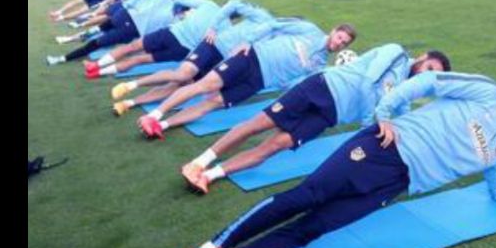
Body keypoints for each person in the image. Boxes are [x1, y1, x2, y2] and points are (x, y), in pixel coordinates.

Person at [180, 72, 496, 248]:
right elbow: (427, 81)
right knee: (306, 196)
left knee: (315, 227)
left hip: (395, 185)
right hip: (384, 147)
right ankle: (211, 247)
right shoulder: (487, 92)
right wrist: (385, 113)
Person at [181, 45, 451, 193]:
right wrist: (373, 120)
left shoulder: (405, 93)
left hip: (329, 115)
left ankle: (210, 175)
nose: (423, 75)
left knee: (275, 146)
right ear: (423, 57)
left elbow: (402, 121)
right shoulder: (396, 53)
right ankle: (198, 162)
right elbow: (369, 81)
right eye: (428, 68)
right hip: (320, 88)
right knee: (257, 125)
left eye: (429, 76)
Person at [137, 22, 356, 140]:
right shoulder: (308, 29)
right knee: (204, 85)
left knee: (212, 103)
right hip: (251, 59)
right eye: (340, 37)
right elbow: (273, 25)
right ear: (333, 31)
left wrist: (285, 83)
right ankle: (153, 115)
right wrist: (248, 41)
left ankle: (161, 125)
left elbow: (295, 84)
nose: (339, 44)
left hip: (259, 82)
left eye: (344, 44)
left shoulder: (320, 64)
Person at [110, 0, 295, 116]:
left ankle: (129, 103)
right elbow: (233, 3)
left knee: (180, 85)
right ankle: (130, 85)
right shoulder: (263, 17)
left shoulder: (277, 44)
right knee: (183, 74)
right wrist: (213, 27)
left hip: (224, 63)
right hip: (213, 46)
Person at [45, 0, 178, 66]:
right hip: (129, 28)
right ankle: (64, 56)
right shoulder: (169, 8)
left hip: (124, 17)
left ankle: (66, 49)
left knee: (97, 33)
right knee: (97, 42)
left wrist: (130, 2)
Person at [82, 0, 219, 79]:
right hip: (183, 48)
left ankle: (95, 67)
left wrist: (177, 12)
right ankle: (97, 72)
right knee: (138, 58)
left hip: (171, 34)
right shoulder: (225, 27)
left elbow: (179, 0)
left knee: (132, 48)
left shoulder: (210, 5)